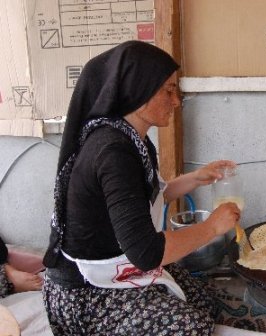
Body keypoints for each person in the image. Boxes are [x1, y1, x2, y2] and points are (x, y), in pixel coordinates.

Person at [41, 40, 242, 335]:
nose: (177, 101)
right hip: (84, 292)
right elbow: (147, 252)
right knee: (189, 325)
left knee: (202, 299)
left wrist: (197, 177)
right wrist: (212, 227)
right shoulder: (112, 152)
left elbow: (145, 198)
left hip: (116, 263)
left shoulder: (133, 139)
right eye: (168, 90)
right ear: (138, 90)